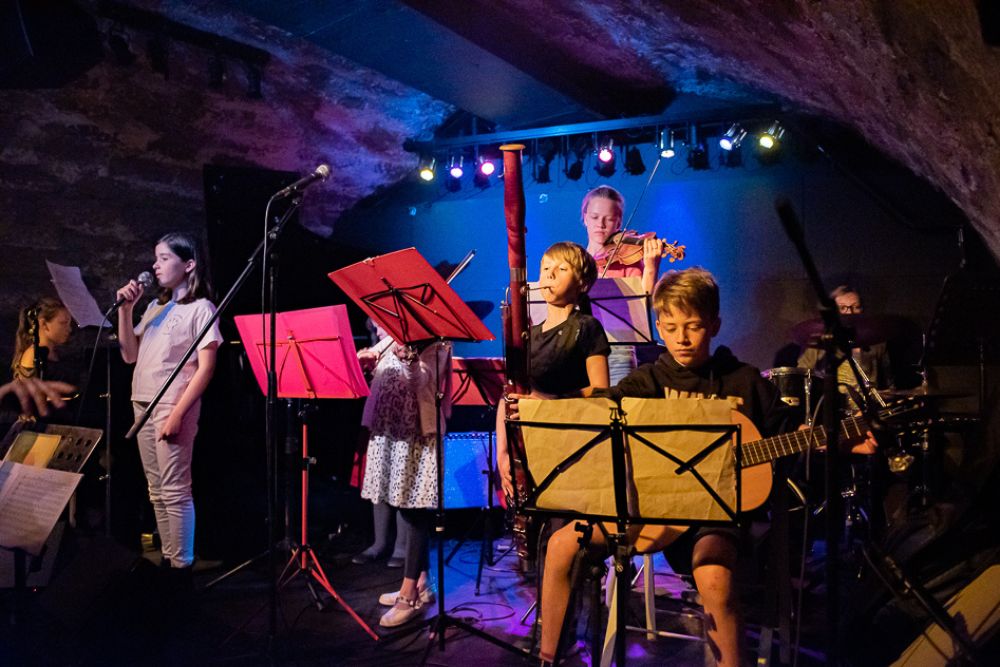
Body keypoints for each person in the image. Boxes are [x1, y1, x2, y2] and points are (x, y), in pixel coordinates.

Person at [534, 267, 795, 666]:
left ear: (715, 325)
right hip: (651, 512)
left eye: (693, 327)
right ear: (658, 326)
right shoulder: (649, 380)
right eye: (670, 328)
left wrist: (838, 439)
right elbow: (601, 409)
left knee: (714, 577)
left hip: (716, 516)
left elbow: (789, 434)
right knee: (561, 544)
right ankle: (548, 658)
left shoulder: (745, 381)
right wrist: (546, 403)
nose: (682, 338)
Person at [115, 232, 222, 577]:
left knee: (175, 490)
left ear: (188, 264)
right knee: (156, 490)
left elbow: (206, 368)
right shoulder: (154, 308)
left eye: (164, 258)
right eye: (155, 258)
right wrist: (126, 311)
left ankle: (181, 567)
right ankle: (169, 557)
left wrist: (177, 414)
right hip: (141, 402)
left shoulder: (201, 308)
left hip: (173, 404)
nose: (155, 265)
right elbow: (129, 355)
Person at [496, 241, 611, 501]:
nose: (550, 274)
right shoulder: (528, 335)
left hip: (571, 445)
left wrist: (549, 404)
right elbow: (508, 397)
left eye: (561, 268)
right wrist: (502, 454)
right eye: (546, 268)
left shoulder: (587, 327)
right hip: (529, 446)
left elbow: (601, 390)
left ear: (582, 284)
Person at [362, 335, 452, 628]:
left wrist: (408, 360)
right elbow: (377, 355)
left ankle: (409, 592)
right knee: (404, 506)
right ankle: (422, 582)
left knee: (414, 510)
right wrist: (369, 358)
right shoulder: (395, 337)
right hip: (390, 430)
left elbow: (419, 382)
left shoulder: (437, 346)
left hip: (417, 435)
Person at [580, 186, 666, 384]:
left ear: (619, 222)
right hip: (579, 350)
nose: (601, 224)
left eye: (609, 219)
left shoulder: (629, 261)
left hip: (618, 351)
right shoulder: (575, 261)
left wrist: (651, 266)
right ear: (584, 217)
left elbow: (642, 308)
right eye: (594, 217)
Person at [352, 325, 409, 569]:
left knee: (402, 480)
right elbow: (381, 345)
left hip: (406, 413)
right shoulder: (384, 339)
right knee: (379, 476)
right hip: (381, 411)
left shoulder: (411, 332)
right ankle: (380, 543)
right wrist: (368, 356)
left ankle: (402, 547)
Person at [797, 284, 893, 398]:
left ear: (862, 310)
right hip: (831, 405)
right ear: (833, 313)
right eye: (842, 308)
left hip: (868, 406)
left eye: (855, 306)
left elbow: (889, 383)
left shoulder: (876, 341)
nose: (849, 312)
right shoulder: (819, 342)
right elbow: (801, 376)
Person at [11, 297, 74, 381]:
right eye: (63, 323)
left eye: (69, 324)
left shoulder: (53, 352)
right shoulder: (32, 356)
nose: (69, 329)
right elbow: (27, 389)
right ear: (44, 324)